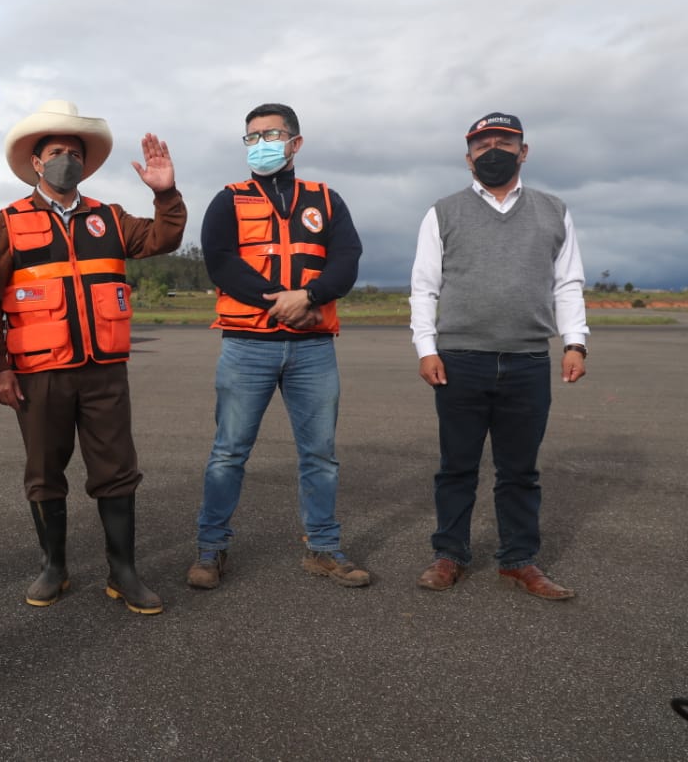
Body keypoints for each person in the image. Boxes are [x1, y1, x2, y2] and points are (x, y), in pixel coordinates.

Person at [0, 100, 186, 614]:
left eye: (74, 152)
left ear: (84, 165)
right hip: (39, 374)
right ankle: (54, 567)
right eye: (56, 152)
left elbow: (164, 237)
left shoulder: (109, 219)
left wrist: (166, 194)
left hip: (103, 373)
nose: (66, 158)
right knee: (44, 472)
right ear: (37, 163)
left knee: (117, 470)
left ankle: (124, 572)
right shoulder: (8, 223)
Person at [189, 102, 368, 591]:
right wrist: (279, 302)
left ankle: (324, 549)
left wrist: (309, 296)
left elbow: (347, 258)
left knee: (321, 455)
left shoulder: (326, 200)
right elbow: (221, 262)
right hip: (248, 345)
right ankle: (211, 548)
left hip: (312, 347)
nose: (261, 143)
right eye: (252, 137)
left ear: (295, 143)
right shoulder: (228, 200)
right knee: (228, 452)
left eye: (271, 134)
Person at [409, 112, 587, 600]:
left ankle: (519, 560)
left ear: (523, 151)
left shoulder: (554, 210)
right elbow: (424, 288)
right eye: (482, 144)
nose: (493, 150)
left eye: (504, 142)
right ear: (468, 159)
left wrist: (575, 342)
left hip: (528, 360)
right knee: (457, 466)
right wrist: (427, 349)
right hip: (460, 358)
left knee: (520, 471)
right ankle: (450, 555)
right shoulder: (442, 212)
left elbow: (567, 282)